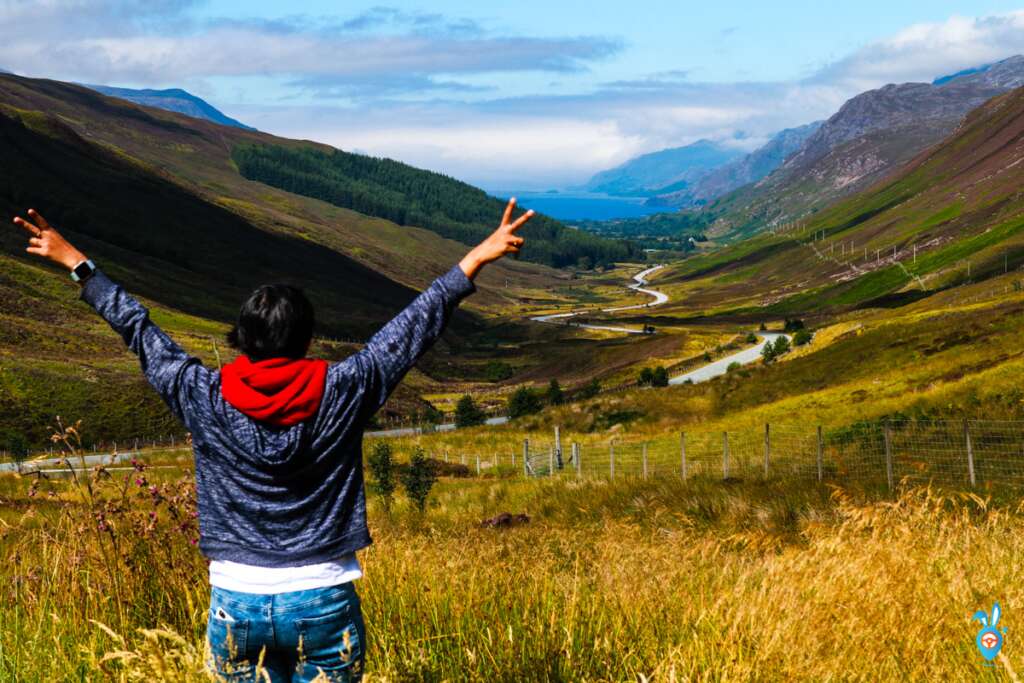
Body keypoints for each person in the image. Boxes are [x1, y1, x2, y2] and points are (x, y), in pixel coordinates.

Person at [11, 200, 533, 682]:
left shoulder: (202, 393)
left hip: (236, 597)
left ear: (243, 338)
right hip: (323, 592)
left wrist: (80, 265)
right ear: (306, 338)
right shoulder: (345, 389)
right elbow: (410, 331)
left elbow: (141, 332)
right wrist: (474, 260)